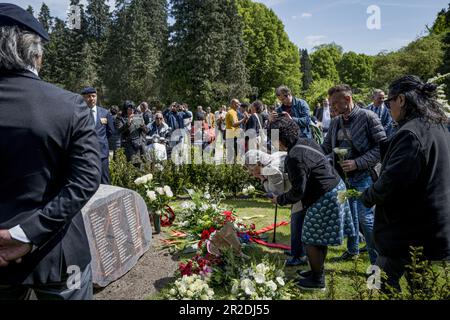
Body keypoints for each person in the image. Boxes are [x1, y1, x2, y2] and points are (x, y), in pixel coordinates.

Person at [0, 3, 101, 300]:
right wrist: (25, 234)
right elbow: (85, 180)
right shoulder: (69, 105)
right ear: (36, 54)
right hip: (58, 253)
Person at [360, 75, 450, 292]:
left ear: (401, 100)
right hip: (428, 226)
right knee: (421, 289)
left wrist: (368, 195)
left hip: (407, 230)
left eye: (389, 101)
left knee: (375, 284)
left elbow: (392, 182)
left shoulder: (410, 133)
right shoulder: (438, 126)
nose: (388, 107)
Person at [269, 117, 354, 290]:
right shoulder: (306, 141)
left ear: (280, 138)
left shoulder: (294, 156)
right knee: (318, 238)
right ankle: (316, 272)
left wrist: (280, 199)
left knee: (310, 239)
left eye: (272, 138)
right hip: (335, 188)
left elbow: (298, 191)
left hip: (326, 195)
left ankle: (317, 280)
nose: (271, 142)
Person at [322, 84, 387, 265]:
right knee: (349, 216)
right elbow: (326, 147)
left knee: (365, 218)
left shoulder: (369, 117)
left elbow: (381, 147)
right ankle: (352, 250)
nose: (332, 106)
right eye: (331, 103)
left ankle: (377, 262)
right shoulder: (336, 122)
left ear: (348, 99)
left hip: (364, 175)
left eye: (335, 103)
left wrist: (358, 162)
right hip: (342, 178)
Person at [245, 150, 307, 267]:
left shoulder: (270, 169)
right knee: (297, 223)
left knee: (297, 224)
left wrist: (262, 179)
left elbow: (276, 192)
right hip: (299, 190)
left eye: (252, 170)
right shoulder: (273, 156)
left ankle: (299, 257)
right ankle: (297, 251)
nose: (251, 173)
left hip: (301, 194)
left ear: (258, 163)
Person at [81, 87, 115, 184]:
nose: (91, 98)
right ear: (83, 98)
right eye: (88, 96)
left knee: (104, 180)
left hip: (102, 153)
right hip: (86, 153)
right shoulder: (79, 113)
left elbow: (110, 131)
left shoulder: (105, 112)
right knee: (87, 180)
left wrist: (101, 140)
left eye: (93, 96)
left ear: (96, 97)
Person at [225, 99, 248, 164]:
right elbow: (234, 124)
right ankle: (233, 171)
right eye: (237, 103)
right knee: (234, 155)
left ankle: (232, 170)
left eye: (238, 103)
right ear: (232, 104)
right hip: (232, 136)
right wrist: (244, 119)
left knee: (233, 154)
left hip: (232, 135)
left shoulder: (234, 112)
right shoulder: (232, 112)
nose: (238, 105)